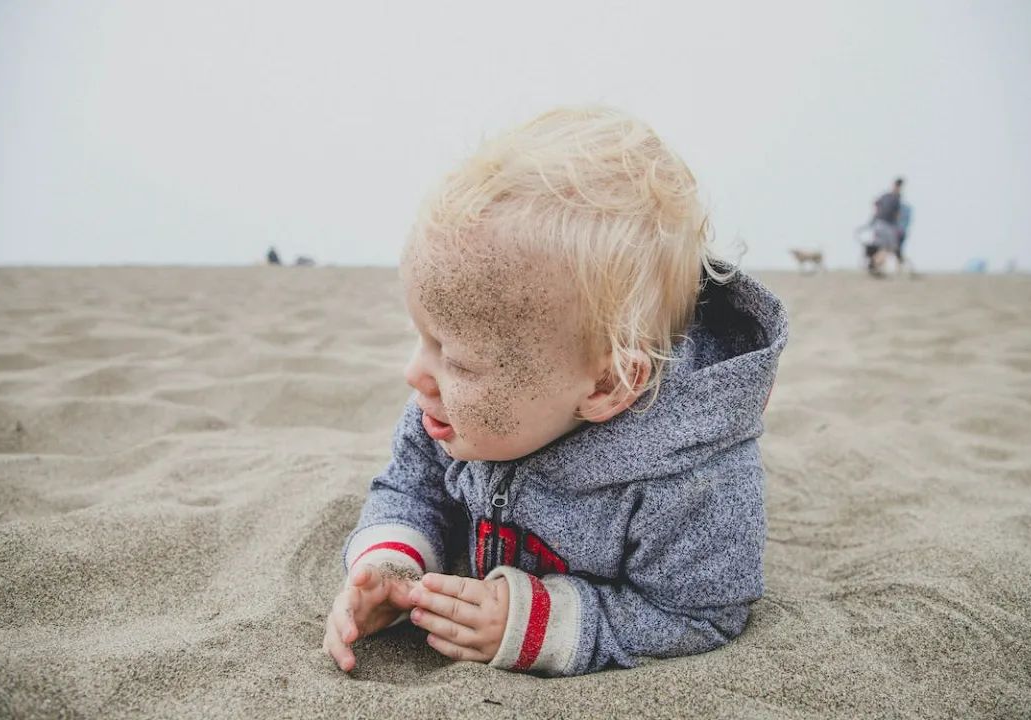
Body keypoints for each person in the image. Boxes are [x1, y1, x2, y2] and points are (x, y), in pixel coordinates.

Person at [323, 106, 788, 676]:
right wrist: (393, 565)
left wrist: (539, 622)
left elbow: (699, 612)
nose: (415, 375)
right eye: (424, 339)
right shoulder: (446, 413)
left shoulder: (692, 482)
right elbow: (409, 489)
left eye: (460, 362)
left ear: (605, 384)